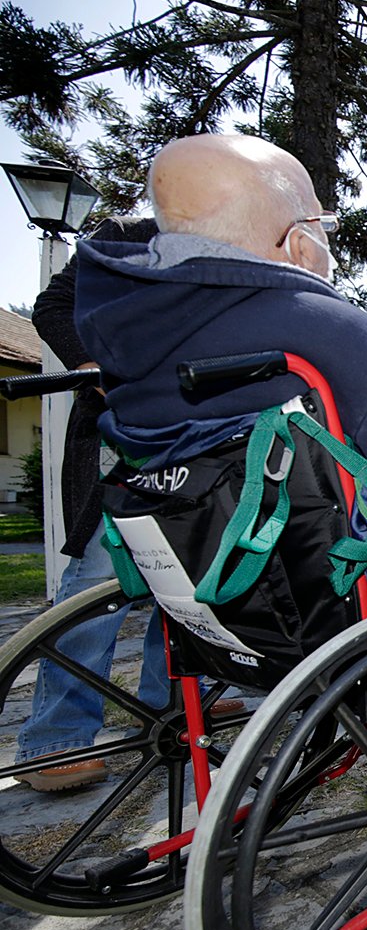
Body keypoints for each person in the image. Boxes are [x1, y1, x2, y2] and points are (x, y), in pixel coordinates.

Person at [74, 133, 367, 538]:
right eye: (324, 224)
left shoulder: (134, 332)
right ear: (300, 243)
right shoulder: (320, 329)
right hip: (326, 580)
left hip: (207, 565)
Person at [13, 216, 227, 792]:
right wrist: (93, 366)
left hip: (198, 436)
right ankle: (54, 738)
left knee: (184, 577)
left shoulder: (234, 251)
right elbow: (54, 306)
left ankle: (171, 703)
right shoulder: (127, 237)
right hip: (122, 432)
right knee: (97, 581)